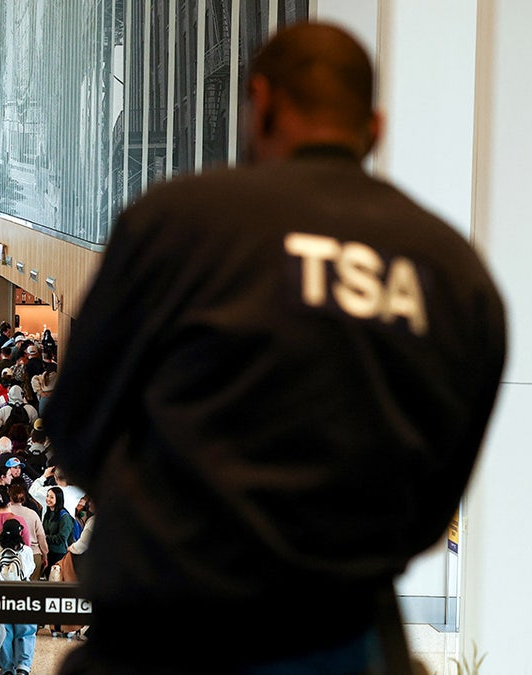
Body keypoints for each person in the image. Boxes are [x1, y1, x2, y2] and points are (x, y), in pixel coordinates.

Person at [47, 23, 508, 675]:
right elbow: (436, 504)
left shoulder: (178, 223)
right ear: (374, 127)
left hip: (167, 639)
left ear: (259, 102)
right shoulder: (456, 276)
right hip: (349, 642)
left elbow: (76, 428)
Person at [0, 519, 34, 675]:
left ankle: (7, 667)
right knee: (26, 631)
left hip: (1, 596)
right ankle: (23, 666)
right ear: (20, 533)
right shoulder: (26, 551)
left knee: (5, 632)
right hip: (23, 595)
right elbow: (29, 571)